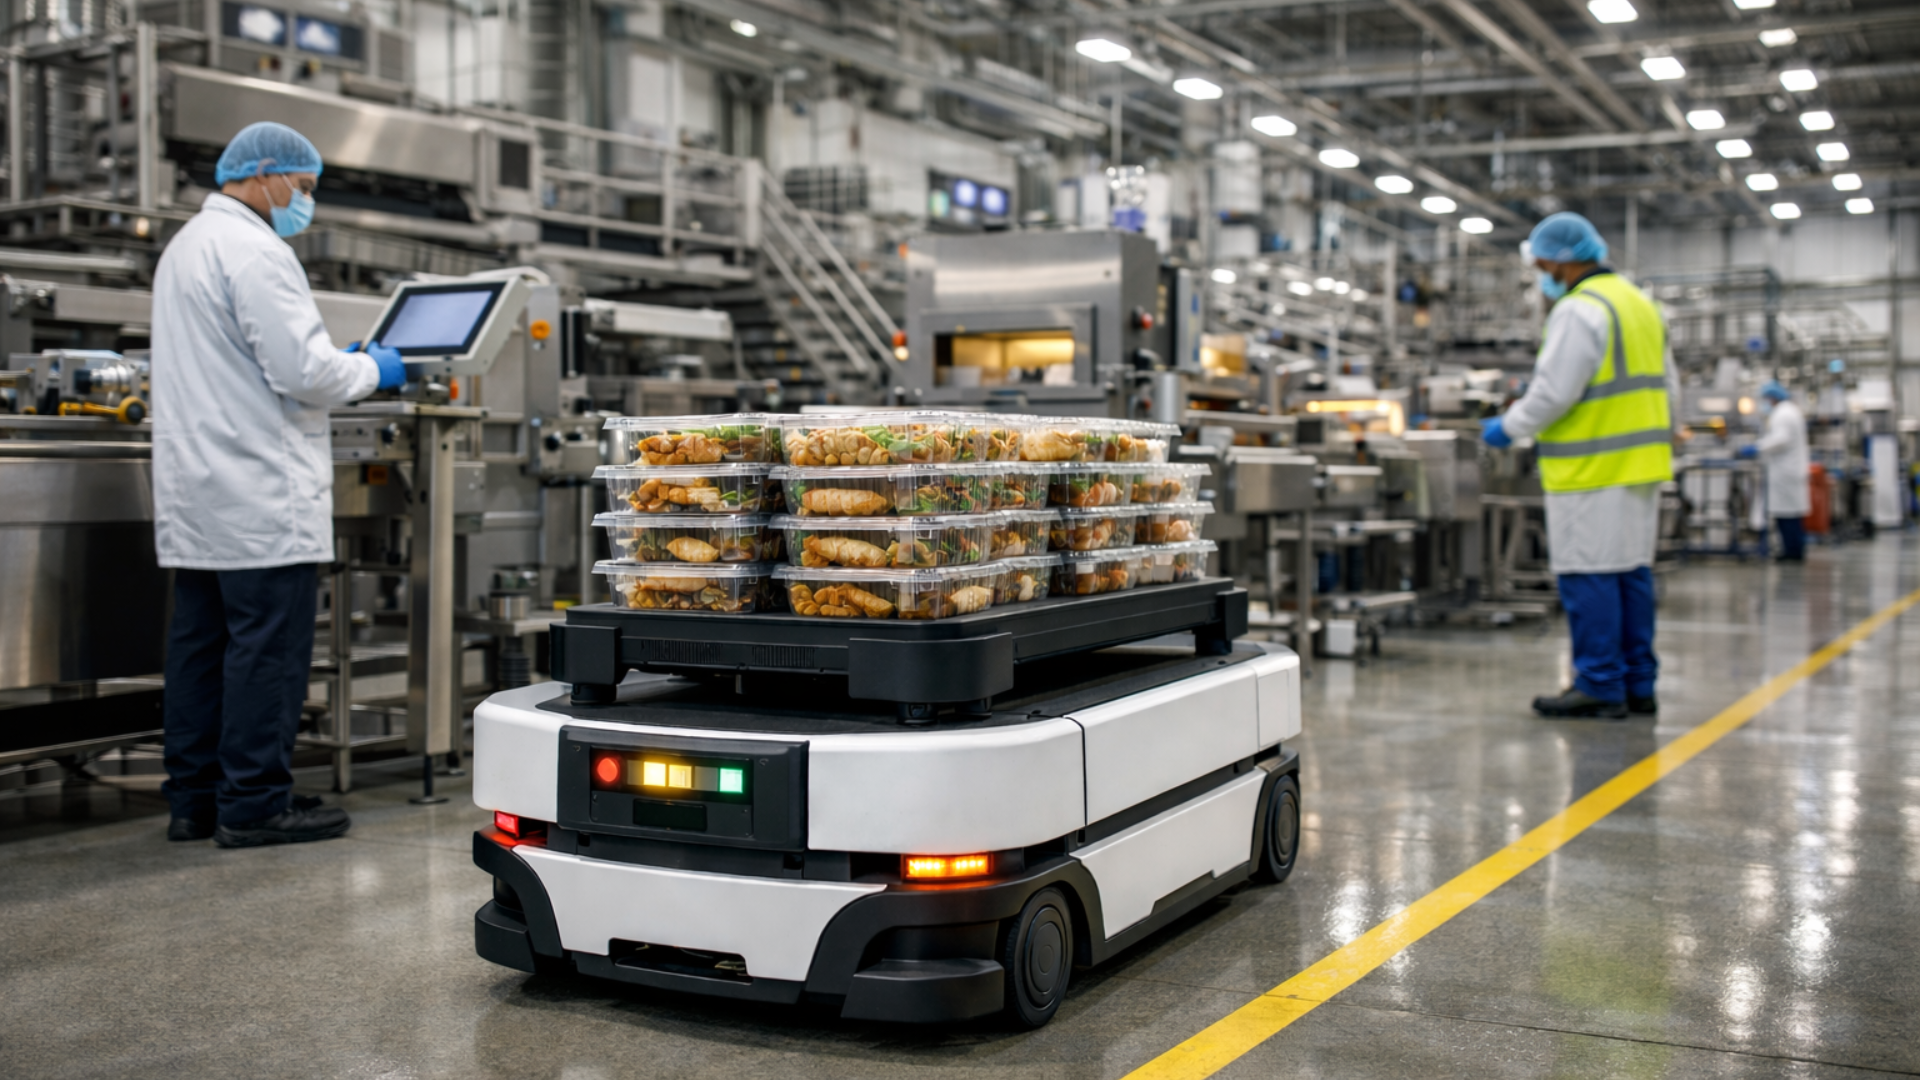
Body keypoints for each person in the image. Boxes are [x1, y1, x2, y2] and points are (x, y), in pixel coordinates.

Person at [152, 122, 407, 847]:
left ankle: (193, 800)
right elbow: (304, 374)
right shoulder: (256, 251)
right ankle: (256, 802)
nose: (304, 202)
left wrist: (334, 360)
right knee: (266, 651)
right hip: (258, 494)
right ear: (263, 174)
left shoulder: (187, 247)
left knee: (201, 649)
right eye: (302, 188)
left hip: (199, 495)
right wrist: (374, 370)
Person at [1481, 212, 1677, 720]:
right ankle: (1639, 684)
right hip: (1642, 466)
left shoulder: (1579, 310)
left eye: (1543, 263)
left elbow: (1553, 392)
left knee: (1588, 576)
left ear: (1562, 261)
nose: (1542, 273)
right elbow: (1670, 391)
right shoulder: (1640, 305)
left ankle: (1599, 684)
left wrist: (1508, 426)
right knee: (1631, 574)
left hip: (1592, 470)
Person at [1742, 381, 1810, 560]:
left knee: (1787, 516)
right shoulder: (1789, 410)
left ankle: (1792, 552)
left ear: (1772, 398)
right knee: (1790, 515)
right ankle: (1793, 550)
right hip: (1788, 471)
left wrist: (1757, 447)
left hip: (1785, 472)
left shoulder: (1783, 413)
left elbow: (1780, 439)